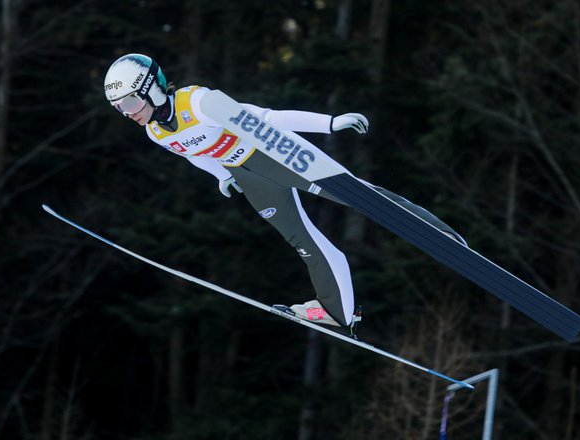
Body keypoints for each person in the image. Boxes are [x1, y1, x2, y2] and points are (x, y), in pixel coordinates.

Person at [103, 53, 465, 332]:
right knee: (303, 241)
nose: (129, 114)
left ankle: (442, 235)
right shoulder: (156, 133)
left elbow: (268, 118)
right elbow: (195, 155)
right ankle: (338, 312)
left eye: (131, 103)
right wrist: (221, 176)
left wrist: (330, 124)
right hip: (249, 179)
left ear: (151, 87)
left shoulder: (199, 102)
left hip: (275, 154)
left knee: (359, 196)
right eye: (120, 109)